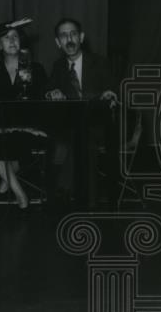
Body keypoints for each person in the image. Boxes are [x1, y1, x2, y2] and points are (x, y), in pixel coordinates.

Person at [44, 17, 118, 206]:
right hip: (69, 128)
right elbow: (48, 93)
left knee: (80, 138)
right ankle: (76, 198)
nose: (69, 39)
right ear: (57, 43)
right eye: (63, 36)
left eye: (73, 34)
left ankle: (66, 194)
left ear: (81, 37)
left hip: (99, 126)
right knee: (66, 138)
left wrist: (107, 95)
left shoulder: (100, 63)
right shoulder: (58, 68)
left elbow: (113, 93)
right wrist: (52, 93)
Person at [0, 19, 48, 209]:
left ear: (21, 42)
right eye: (6, 38)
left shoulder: (37, 69)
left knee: (20, 143)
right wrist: (3, 126)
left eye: (15, 36)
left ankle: (5, 184)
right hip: (2, 129)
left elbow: (43, 105)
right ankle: (20, 194)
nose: (11, 41)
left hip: (31, 130)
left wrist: (30, 126)